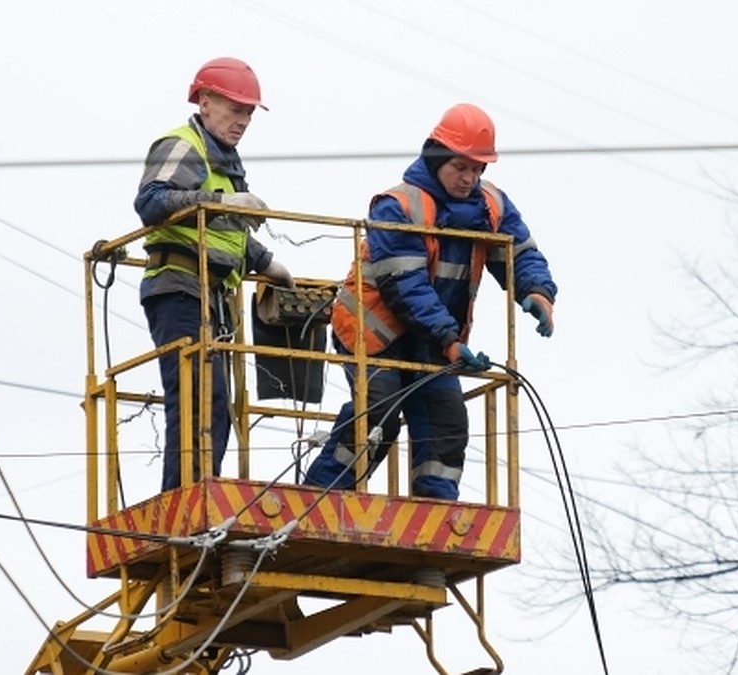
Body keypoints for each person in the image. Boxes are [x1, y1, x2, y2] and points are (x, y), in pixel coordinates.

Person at [302, 103, 557, 501]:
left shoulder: (491, 206)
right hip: (374, 330)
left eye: (477, 169)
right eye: (461, 167)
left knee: (446, 422)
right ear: (437, 157)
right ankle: (319, 497)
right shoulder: (399, 206)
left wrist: (537, 290)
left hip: (434, 339)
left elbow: (520, 251)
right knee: (377, 415)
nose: (469, 178)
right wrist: (450, 341)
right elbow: (406, 287)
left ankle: (436, 508)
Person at [134, 56, 293, 492]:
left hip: (213, 296)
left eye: (247, 112)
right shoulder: (184, 145)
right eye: (234, 108)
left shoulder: (226, 162)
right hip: (179, 289)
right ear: (204, 102)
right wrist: (220, 203)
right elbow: (150, 204)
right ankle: (184, 501)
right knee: (197, 399)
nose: (242, 120)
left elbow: (225, 235)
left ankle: (201, 491)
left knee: (216, 405)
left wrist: (265, 263)